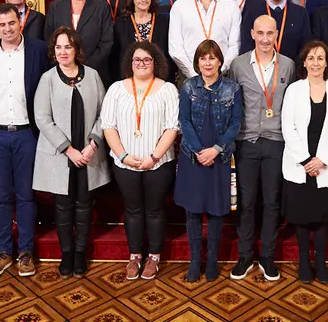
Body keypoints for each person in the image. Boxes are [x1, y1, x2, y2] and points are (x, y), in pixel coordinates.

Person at [0, 3, 51, 277]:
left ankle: (26, 252)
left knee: (26, 195)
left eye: (11, 23)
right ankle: (3, 251)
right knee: (0, 196)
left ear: (20, 22)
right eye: (1, 24)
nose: (7, 29)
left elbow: (46, 90)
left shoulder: (38, 50)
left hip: (27, 133)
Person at [32, 27, 109, 279]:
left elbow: (104, 114)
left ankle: (80, 252)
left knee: (84, 204)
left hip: (88, 154)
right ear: (53, 51)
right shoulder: (48, 79)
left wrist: (92, 145)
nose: (63, 52)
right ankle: (66, 253)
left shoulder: (93, 76)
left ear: (77, 49)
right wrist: (68, 149)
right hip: (61, 155)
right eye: (58, 47)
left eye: (68, 46)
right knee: (63, 206)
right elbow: (42, 118)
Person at [101, 42, 179, 281]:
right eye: (137, 60)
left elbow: (172, 127)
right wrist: (124, 155)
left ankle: (154, 257)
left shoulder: (167, 90)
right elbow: (108, 125)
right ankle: (134, 256)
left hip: (159, 162)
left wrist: (153, 156)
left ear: (155, 62)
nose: (142, 64)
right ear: (130, 62)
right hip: (125, 163)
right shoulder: (116, 89)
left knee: (154, 210)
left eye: (147, 59)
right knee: (133, 210)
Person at [228, 15, 296, 282]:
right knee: (246, 202)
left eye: (271, 33)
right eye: (261, 33)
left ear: (276, 34)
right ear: (252, 34)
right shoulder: (238, 64)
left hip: (277, 142)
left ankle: (267, 255)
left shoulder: (288, 65)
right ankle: (245, 255)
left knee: (271, 201)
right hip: (246, 142)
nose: (266, 39)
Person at [281, 41, 328, 284]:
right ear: (304, 62)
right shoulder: (294, 90)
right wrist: (305, 160)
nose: (316, 63)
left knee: (321, 218)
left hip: (325, 166)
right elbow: (288, 127)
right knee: (301, 217)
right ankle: (303, 263)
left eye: (320, 58)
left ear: (327, 63)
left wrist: (322, 160)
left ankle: (320, 263)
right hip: (300, 165)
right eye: (311, 58)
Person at [176, 40, 243, 282]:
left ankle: (212, 260)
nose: (207, 63)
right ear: (197, 62)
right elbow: (184, 120)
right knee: (192, 210)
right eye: (203, 58)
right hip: (192, 158)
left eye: (212, 58)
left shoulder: (232, 89)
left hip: (220, 156)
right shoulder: (188, 87)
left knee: (216, 210)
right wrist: (198, 150)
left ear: (219, 62)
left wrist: (215, 149)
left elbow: (236, 123)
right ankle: (195, 261)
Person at [169, 0, 241, 81]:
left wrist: (217, 72)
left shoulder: (231, 7)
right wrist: (194, 74)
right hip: (188, 78)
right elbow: (175, 48)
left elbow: (235, 46)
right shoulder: (179, 7)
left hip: (222, 78)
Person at [44, 0, 114, 84]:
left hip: (94, 72)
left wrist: (84, 68)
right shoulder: (55, 7)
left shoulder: (101, 7)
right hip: (62, 73)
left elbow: (106, 42)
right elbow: (49, 39)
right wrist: (65, 65)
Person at [240, 0, 313, 62]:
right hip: (259, 72)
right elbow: (246, 47)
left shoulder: (300, 13)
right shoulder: (252, 11)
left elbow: (305, 49)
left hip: (292, 73)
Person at [113, 0, 173, 81]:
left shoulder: (164, 23)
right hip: (129, 82)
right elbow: (115, 58)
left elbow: (169, 57)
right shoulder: (120, 24)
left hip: (158, 82)